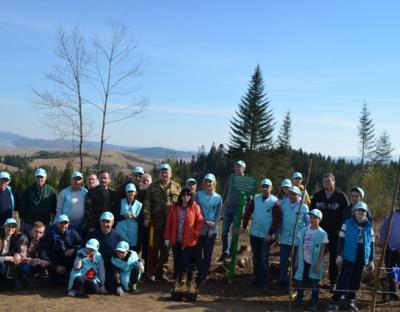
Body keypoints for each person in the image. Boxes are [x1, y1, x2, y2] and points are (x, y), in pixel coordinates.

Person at [326, 202, 374, 312]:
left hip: (362, 257)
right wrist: (339, 255)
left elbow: (371, 244)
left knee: (356, 280)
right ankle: (335, 301)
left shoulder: (369, 227)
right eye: (359, 210)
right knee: (344, 279)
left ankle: (350, 300)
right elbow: (341, 241)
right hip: (348, 256)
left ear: (366, 213)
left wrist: (371, 260)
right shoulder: (347, 223)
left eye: (363, 211)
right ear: (354, 212)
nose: (361, 212)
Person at [310, 173, 349, 289]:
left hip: (335, 233)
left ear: (334, 181)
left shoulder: (341, 197)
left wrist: (341, 229)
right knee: (316, 255)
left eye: (329, 181)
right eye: (324, 181)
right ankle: (314, 278)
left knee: (333, 258)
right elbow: (312, 212)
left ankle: (333, 281)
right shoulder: (317, 196)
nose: (327, 183)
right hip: (319, 232)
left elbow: (345, 214)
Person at [241, 178, 281, 292]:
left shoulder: (275, 201)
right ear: (260, 187)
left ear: (271, 188)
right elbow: (248, 212)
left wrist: (271, 233)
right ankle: (256, 277)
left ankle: (263, 282)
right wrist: (244, 227)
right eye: (263, 186)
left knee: (263, 259)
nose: (265, 188)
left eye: (267, 186)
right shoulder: (255, 198)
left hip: (266, 235)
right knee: (255, 257)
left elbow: (277, 219)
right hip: (254, 233)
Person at [143, 163, 181, 281]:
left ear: (170, 173)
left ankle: (162, 272)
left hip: (170, 225)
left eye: (167, 172)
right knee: (153, 247)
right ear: (159, 174)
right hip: (155, 223)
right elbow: (147, 203)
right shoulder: (152, 187)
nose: (164, 174)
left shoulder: (176, 187)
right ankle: (151, 273)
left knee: (166, 249)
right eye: (162, 172)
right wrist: (147, 217)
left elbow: (180, 204)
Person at [164, 188, 203, 283]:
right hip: (176, 238)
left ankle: (190, 278)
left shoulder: (195, 207)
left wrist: (196, 233)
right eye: (184, 195)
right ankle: (178, 278)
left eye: (188, 195)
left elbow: (200, 221)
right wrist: (166, 237)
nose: (186, 197)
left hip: (189, 240)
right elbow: (168, 222)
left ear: (191, 196)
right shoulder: (174, 207)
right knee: (177, 260)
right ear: (180, 196)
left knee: (185, 261)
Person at [294, 209, 328, 312]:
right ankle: (298, 300)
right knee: (300, 282)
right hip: (303, 261)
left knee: (314, 283)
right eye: (311, 217)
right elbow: (299, 247)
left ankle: (313, 303)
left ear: (319, 219)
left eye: (314, 217)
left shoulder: (323, 233)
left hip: (314, 262)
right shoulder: (304, 230)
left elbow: (322, 251)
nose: (312, 219)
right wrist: (296, 260)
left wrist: (318, 265)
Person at [278, 186, 309, 290]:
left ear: (299, 195)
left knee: (296, 262)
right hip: (284, 237)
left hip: (297, 239)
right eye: (291, 193)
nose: (292, 195)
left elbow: (307, 223)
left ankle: (295, 281)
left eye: (295, 194)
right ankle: (283, 281)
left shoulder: (303, 207)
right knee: (283, 260)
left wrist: (305, 237)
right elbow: (280, 220)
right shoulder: (284, 205)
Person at [195, 173, 222, 286]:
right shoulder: (197, 195)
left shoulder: (218, 197)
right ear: (203, 183)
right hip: (199, 228)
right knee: (197, 253)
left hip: (212, 231)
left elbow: (218, 213)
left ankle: (203, 276)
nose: (208, 183)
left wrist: (213, 227)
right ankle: (200, 272)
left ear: (214, 183)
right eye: (206, 181)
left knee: (208, 254)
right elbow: (196, 211)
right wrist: (206, 222)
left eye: (210, 181)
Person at [86, 211, 123, 290]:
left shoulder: (118, 237)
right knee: (91, 288)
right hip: (94, 268)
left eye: (108, 222)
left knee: (112, 288)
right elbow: (83, 249)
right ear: (100, 222)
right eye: (103, 221)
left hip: (110, 269)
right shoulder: (92, 235)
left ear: (112, 222)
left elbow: (125, 252)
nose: (105, 224)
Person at [220, 160, 246, 261]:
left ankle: (232, 252)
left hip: (238, 208)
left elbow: (249, 195)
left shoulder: (246, 180)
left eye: (239, 166)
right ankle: (225, 252)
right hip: (228, 207)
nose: (237, 168)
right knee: (224, 231)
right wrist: (224, 199)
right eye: (236, 166)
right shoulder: (231, 177)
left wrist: (245, 205)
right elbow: (226, 189)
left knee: (235, 232)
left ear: (244, 168)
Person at [45, 214, 82, 285]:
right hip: (56, 263)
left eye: (65, 223)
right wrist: (55, 267)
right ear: (57, 224)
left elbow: (81, 244)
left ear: (68, 224)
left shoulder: (73, 233)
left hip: (70, 262)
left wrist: (73, 249)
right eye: (61, 223)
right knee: (58, 283)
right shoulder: (50, 235)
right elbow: (44, 253)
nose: (63, 225)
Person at [19, 168, 57, 234]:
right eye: (38, 177)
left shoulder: (51, 191)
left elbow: (54, 208)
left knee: (45, 243)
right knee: (28, 242)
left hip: (45, 225)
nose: (39, 179)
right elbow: (22, 207)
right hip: (29, 224)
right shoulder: (28, 190)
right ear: (35, 178)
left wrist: (53, 222)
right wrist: (22, 221)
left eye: (41, 177)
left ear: (45, 178)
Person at [15, 221, 50, 288]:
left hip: (32, 260)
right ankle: (19, 279)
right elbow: (23, 259)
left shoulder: (42, 239)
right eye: (36, 231)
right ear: (31, 230)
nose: (38, 234)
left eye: (40, 232)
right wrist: (40, 261)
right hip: (19, 262)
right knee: (26, 266)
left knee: (46, 261)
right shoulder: (24, 239)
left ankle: (35, 278)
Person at [380, 206, 400, 301]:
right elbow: (383, 229)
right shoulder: (390, 214)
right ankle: (393, 292)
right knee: (390, 270)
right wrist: (384, 242)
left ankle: (395, 288)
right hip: (389, 248)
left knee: (398, 271)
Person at [116, 183, 142, 251]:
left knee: (131, 252)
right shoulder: (120, 202)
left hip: (133, 233)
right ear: (126, 192)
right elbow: (115, 217)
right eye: (128, 191)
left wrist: (135, 217)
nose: (130, 193)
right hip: (121, 232)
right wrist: (124, 216)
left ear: (135, 192)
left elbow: (141, 219)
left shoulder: (139, 205)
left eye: (132, 191)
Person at [0, 218, 22, 285]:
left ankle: (11, 280)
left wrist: (17, 254)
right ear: (4, 227)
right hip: (2, 261)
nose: (11, 229)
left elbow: (16, 250)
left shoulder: (15, 238)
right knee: (2, 266)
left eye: (13, 227)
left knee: (17, 261)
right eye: (8, 226)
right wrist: (7, 258)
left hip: (7, 261)